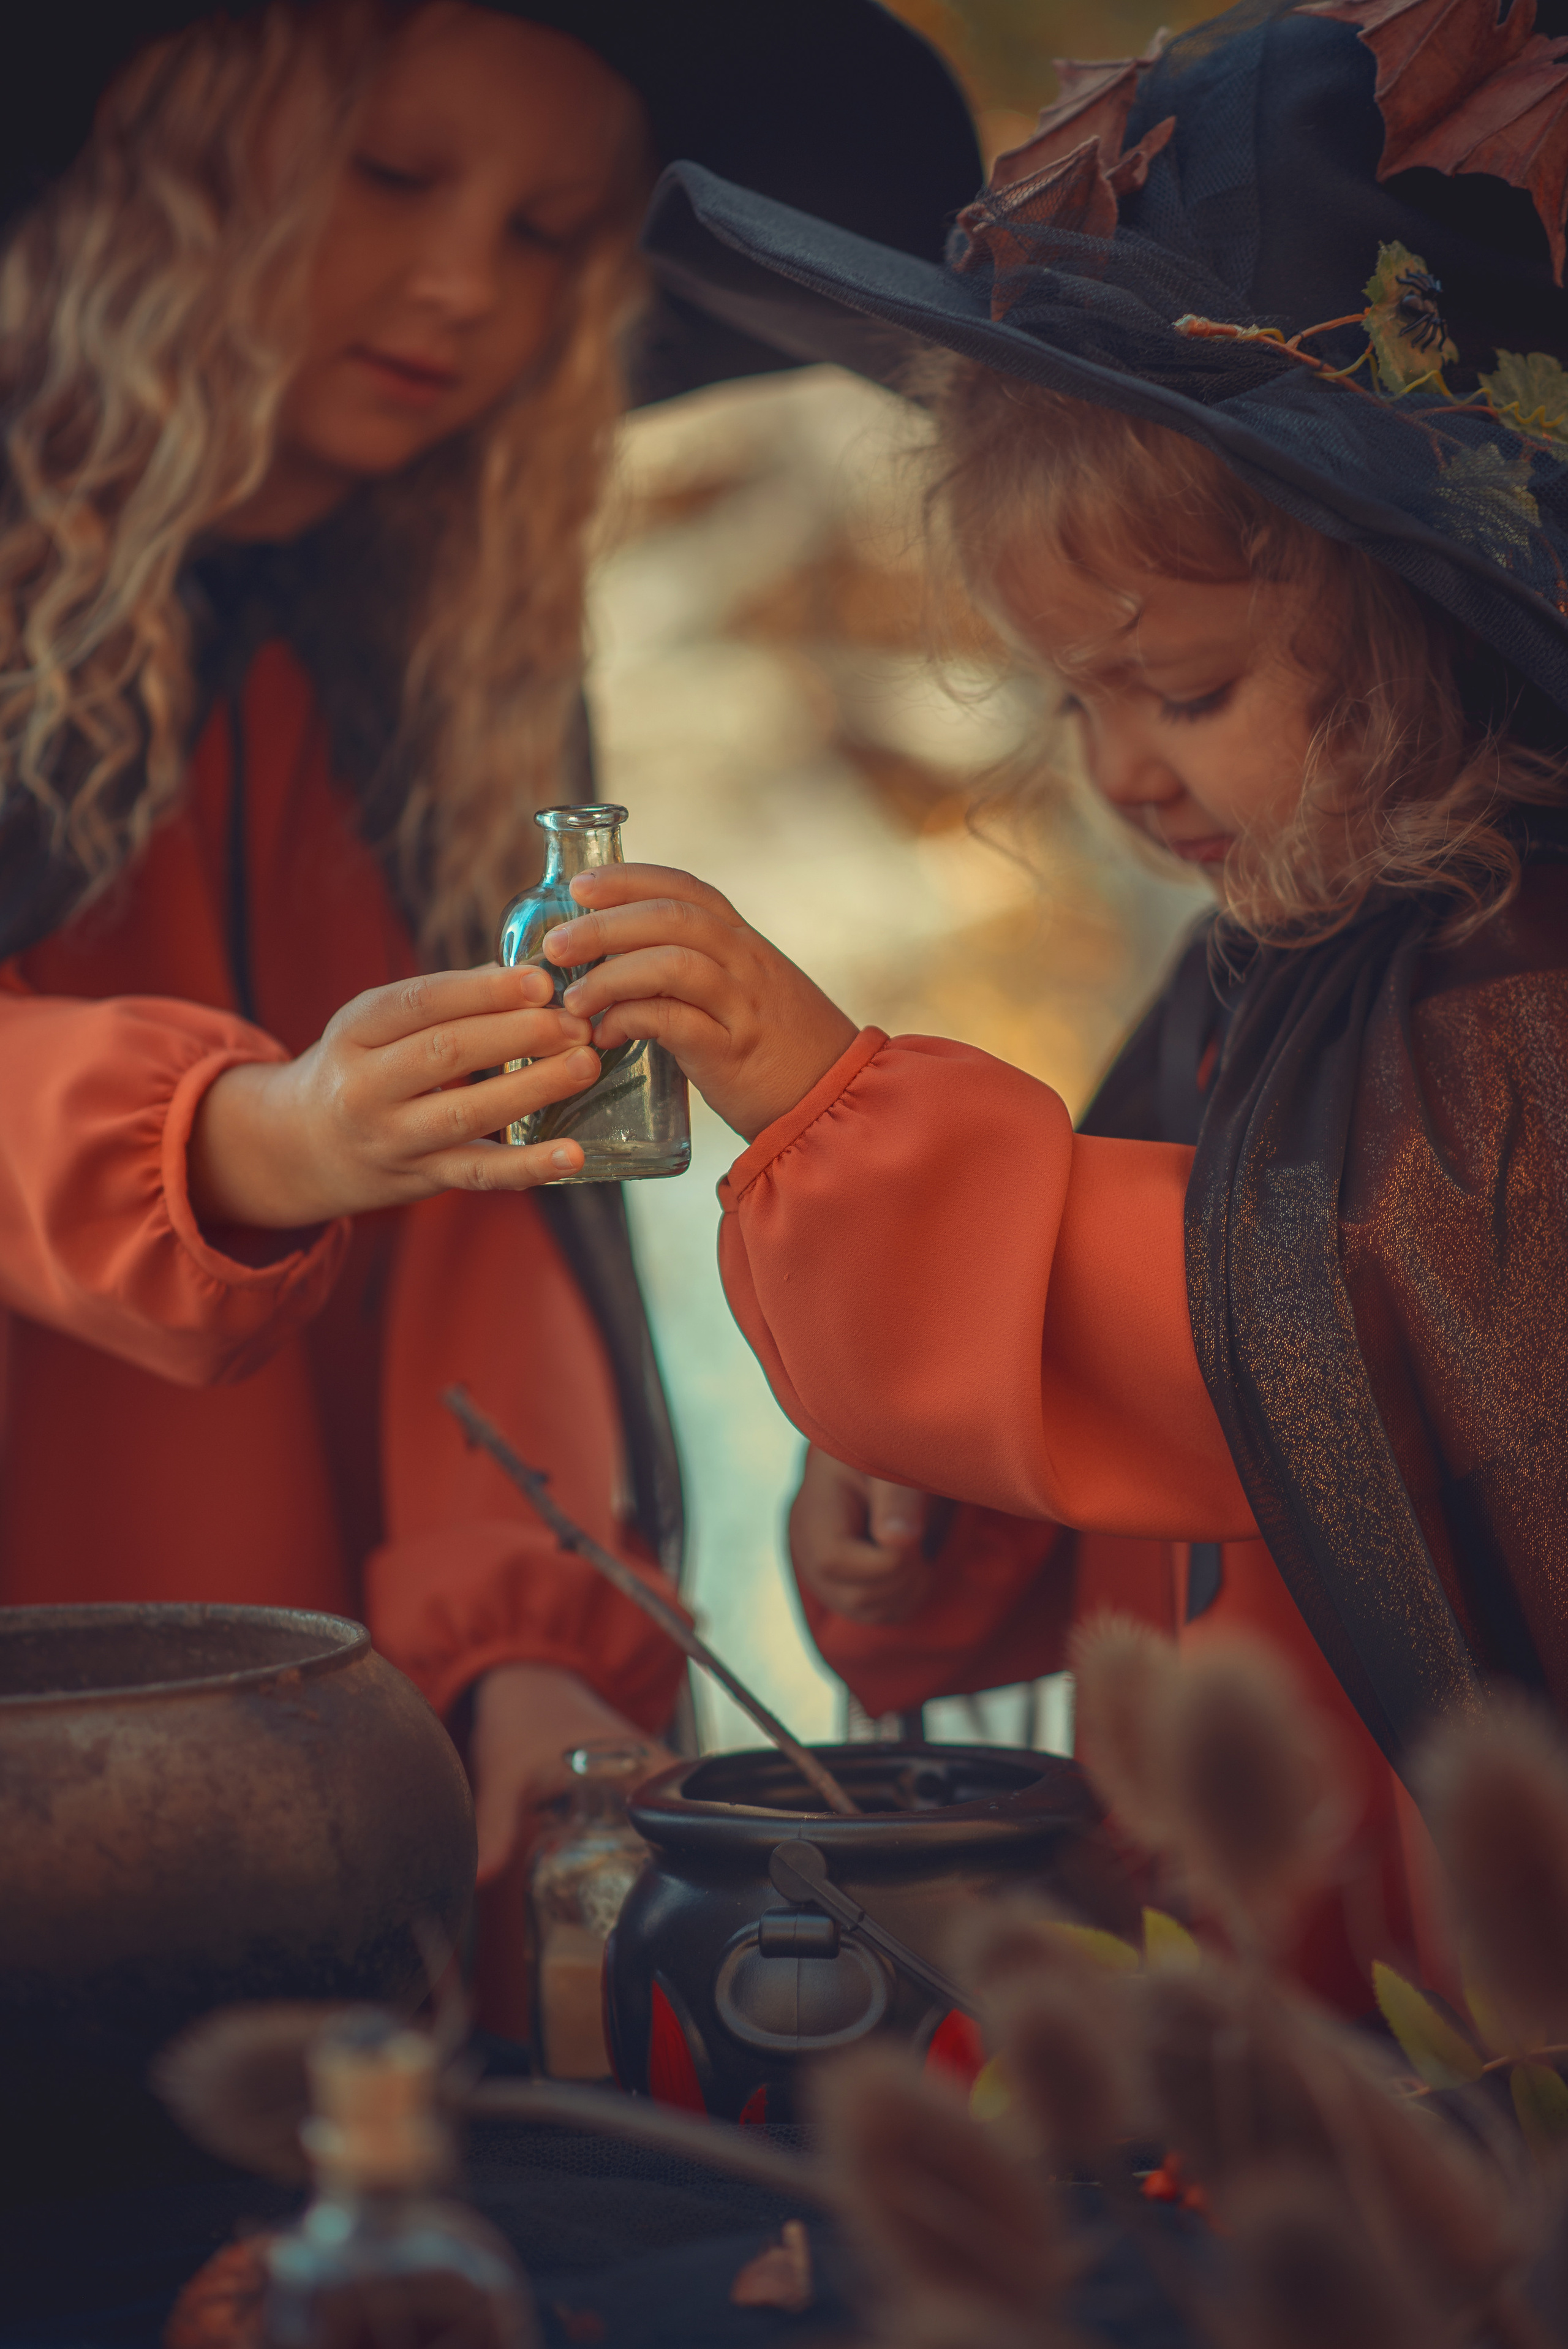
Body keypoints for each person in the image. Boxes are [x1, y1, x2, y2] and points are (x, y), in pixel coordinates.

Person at [531, 1, 1568, 2009]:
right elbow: (1130, 1441)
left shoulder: (1523, 990)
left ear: (1432, 633)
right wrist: (941, 1517)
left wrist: (832, 1114)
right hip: (1230, 1998)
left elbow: (1301, 1343)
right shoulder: (1252, 976)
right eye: (1075, 700)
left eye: (1183, 691)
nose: (1122, 774)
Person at [0, 0, 978, 2028]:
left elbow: (492, 1212)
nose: (465, 284)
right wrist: (243, 1139)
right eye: (392, 176)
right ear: (179, 159)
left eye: (552, 229)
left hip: (313, 1778)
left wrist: (516, 1641)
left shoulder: (438, 642)